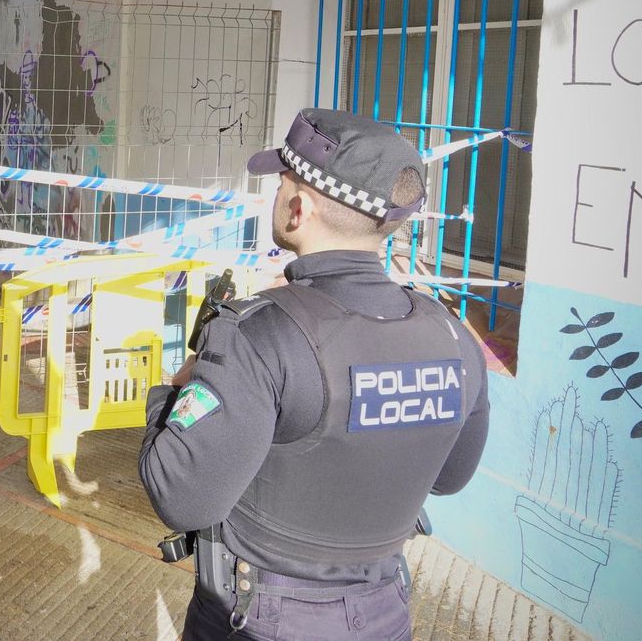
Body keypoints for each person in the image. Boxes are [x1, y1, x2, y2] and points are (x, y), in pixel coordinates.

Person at [140, 108, 490, 640]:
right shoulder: (453, 337)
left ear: (298, 208)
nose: (278, 197)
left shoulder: (259, 336)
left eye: (282, 184)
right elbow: (450, 477)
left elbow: (180, 497)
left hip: (258, 617)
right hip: (384, 613)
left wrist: (174, 391)